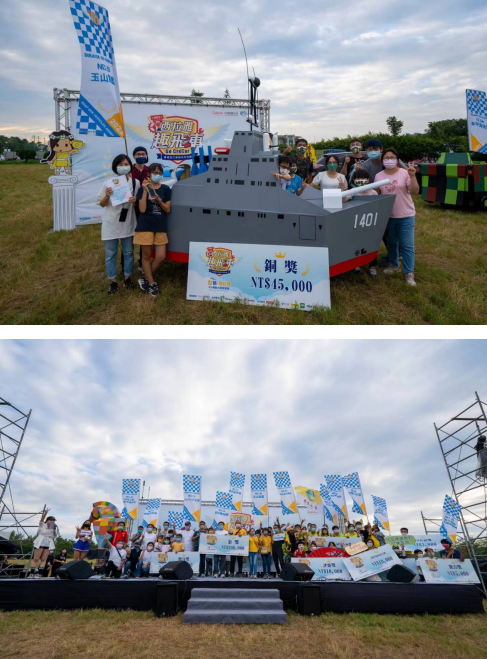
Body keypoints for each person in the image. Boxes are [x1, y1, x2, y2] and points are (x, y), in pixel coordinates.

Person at [375, 149, 419, 286]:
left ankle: (409, 273)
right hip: (388, 215)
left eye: (392, 157)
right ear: (382, 160)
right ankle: (394, 265)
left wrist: (412, 176)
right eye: (387, 157)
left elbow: (414, 191)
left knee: (407, 245)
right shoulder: (378, 176)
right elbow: (376, 194)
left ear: (397, 159)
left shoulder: (404, 173)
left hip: (405, 215)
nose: (389, 160)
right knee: (391, 243)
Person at [96, 154, 139, 296]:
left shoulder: (135, 183)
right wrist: (107, 195)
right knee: (110, 254)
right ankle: (113, 281)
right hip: (111, 223)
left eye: (126, 164)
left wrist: (135, 201)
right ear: (115, 167)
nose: (123, 167)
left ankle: (127, 278)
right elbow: (101, 204)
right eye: (120, 164)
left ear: (130, 166)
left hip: (128, 222)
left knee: (128, 252)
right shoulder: (108, 183)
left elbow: (140, 202)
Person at [135, 163, 172, 297]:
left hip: (160, 226)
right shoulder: (142, 189)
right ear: (149, 174)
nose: (157, 175)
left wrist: (159, 200)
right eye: (154, 172)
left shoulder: (166, 189)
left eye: (159, 172)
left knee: (161, 256)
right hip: (145, 226)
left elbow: (167, 209)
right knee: (146, 256)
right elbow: (142, 209)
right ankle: (152, 283)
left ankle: (144, 278)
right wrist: (145, 191)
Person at [29, 509, 58, 578]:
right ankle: (32, 573)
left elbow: (54, 536)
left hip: (48, 543)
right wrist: (45, 514)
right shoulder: (43, 525)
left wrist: (54, 530)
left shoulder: (52, 528)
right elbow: (41, 520)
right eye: (51, 520)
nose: (52, 522)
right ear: (47, 520)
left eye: (53, 521)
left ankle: (39, 573)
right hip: (40, 541)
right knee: (36, 558)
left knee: (44, 559)